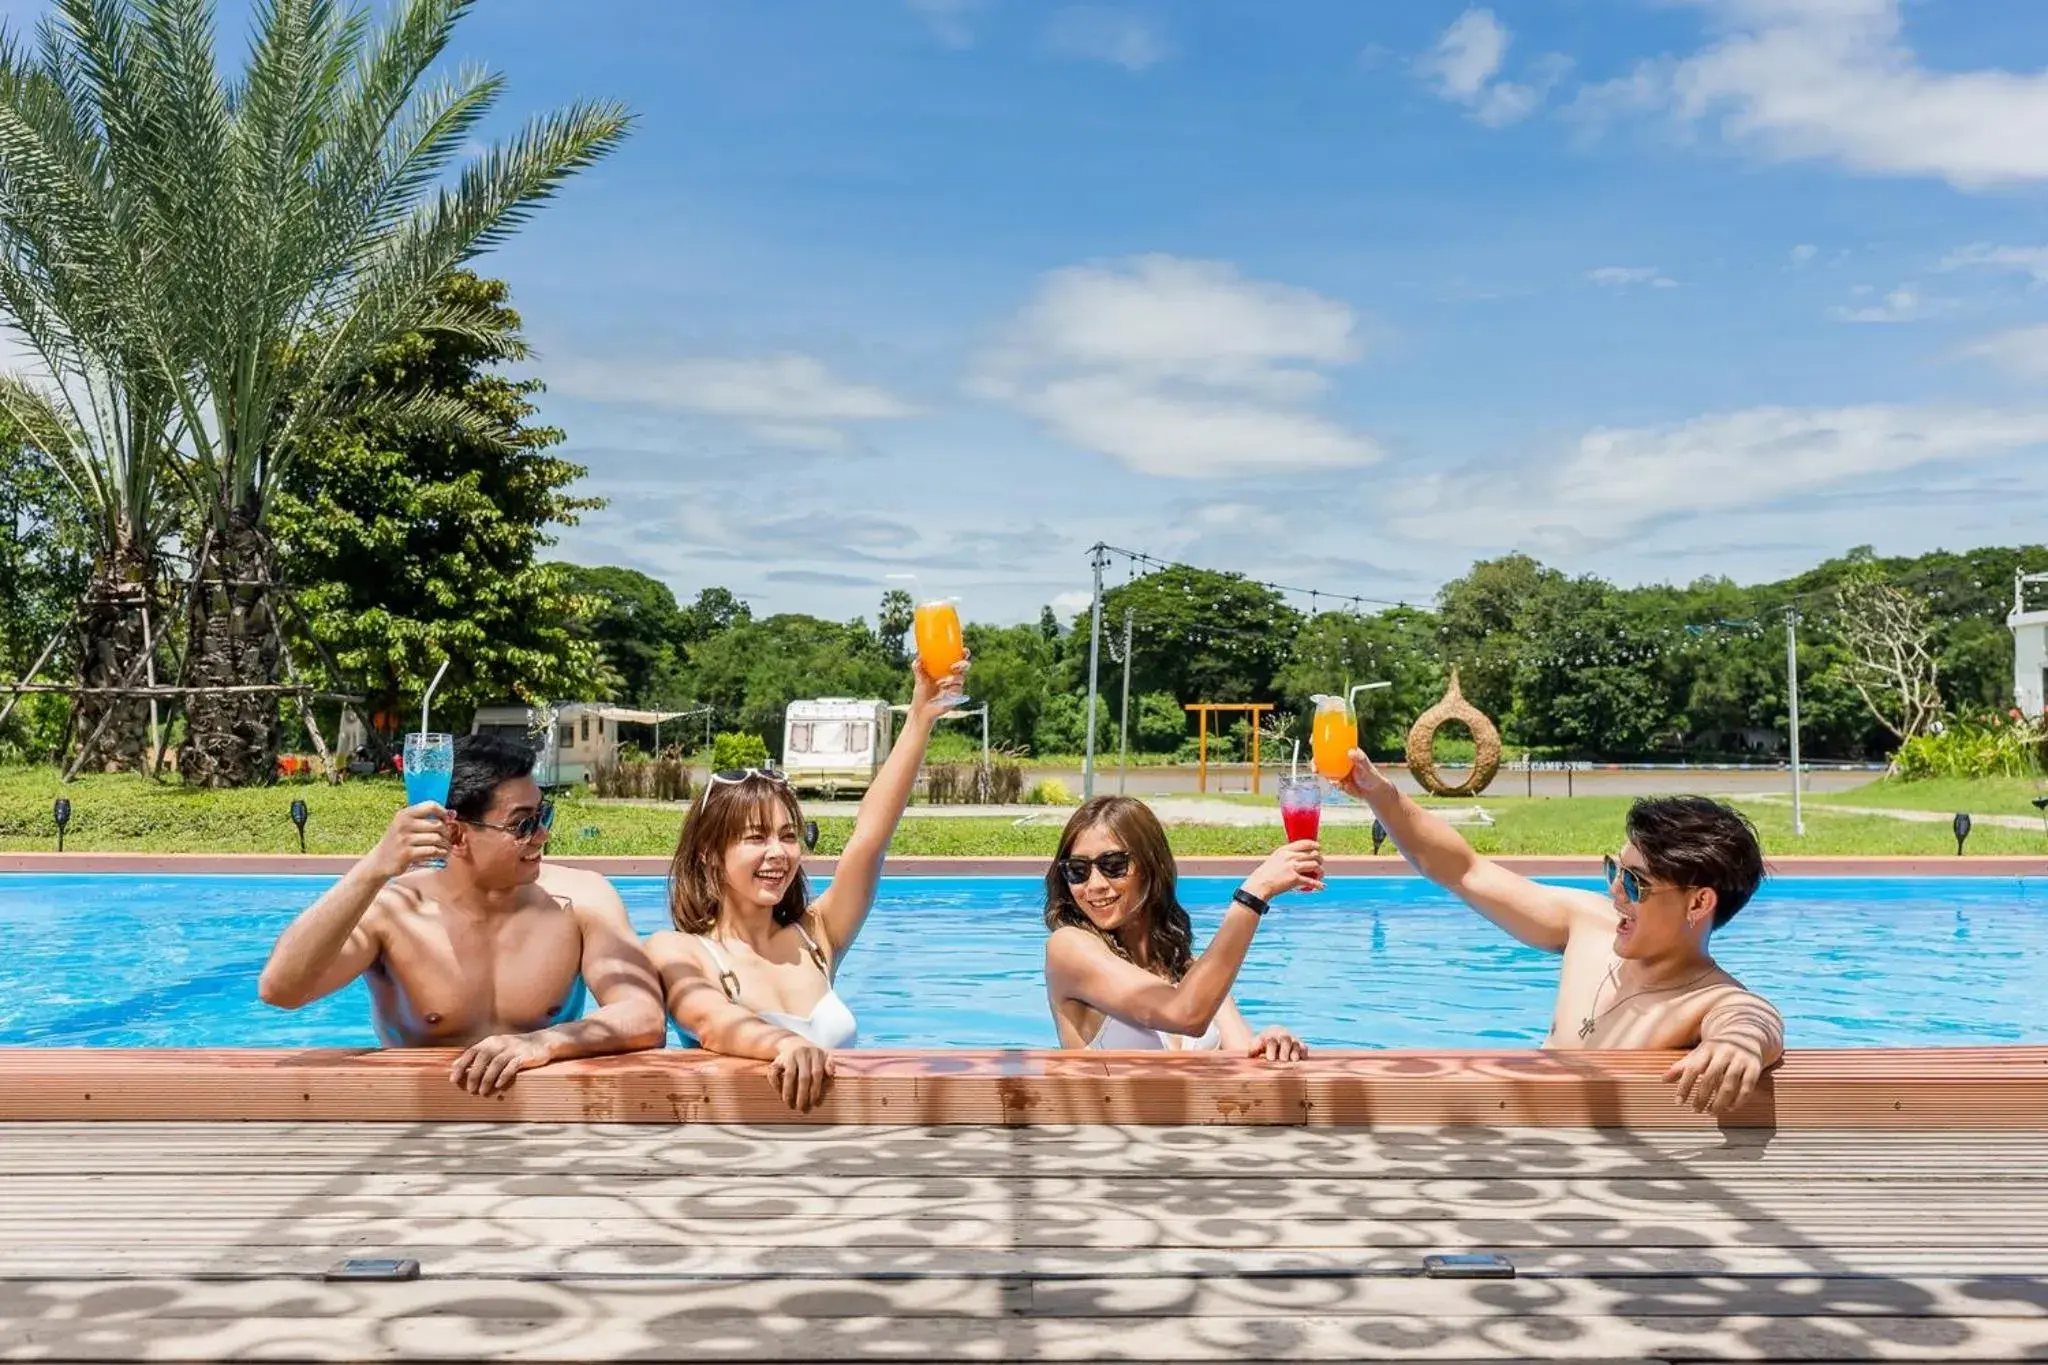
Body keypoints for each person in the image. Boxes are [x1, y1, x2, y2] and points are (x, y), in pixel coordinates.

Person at [1338, 750, 1783, 1114]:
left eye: (1635, 882)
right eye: (1615, 869)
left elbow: (1751, 1018)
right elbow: (1464, 870)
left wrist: (1738, 1045)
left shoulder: (1708, 998)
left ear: (1699, 903)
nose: (1614, 891)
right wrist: (1382, 794)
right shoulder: (1587, 926)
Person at [257, 732, 667, 1093]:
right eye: (523, 824)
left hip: (544, 1115)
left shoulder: (582, 899)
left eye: (544, 814)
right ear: (454, 834)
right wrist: (372, 869)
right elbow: (282, 990)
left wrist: (545, 1042)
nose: (542, 835)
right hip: (418, 1117)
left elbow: (644, 1015)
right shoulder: (395, 912)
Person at [645, 656, 968, 1112]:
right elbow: (712, 1021)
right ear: (708, 854)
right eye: (756, 838)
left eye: (789, 835)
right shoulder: (677, 951)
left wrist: (920, 716)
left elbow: (870, 838)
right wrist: (785, 1044)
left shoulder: (817, 936)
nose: (778, 853)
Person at [1043, 795, 1318, 1059]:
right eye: (1078, 870)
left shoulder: (1193, 973)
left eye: (1113, 865)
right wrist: (1254, 894)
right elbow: (1185, 1014)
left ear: (1151, 865)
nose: (1095, 885)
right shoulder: (1068, 948)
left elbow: (1241, 1056)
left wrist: (1271, 1041)